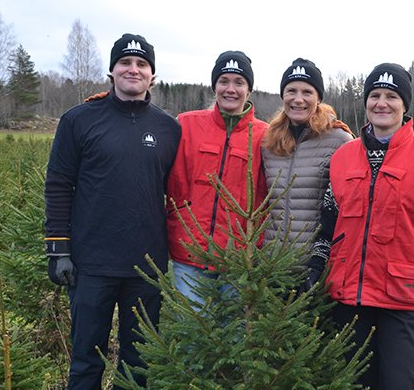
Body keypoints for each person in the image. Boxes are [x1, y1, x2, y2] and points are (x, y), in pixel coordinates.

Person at [305, 63, 414, 389]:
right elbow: (327, 229)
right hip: (349, 301)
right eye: (375, 95)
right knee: (355, 384)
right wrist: (315, 269)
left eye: (391, 96)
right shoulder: (343, 158)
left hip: (406, 304)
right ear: (365, 102)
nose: (382, 103)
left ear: (404, 105)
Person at [44, 33, 181, 389]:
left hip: (146, 268)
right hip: (91, 265)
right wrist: (58, 249)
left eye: (141, 64)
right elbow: (59, 184)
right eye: (125, 62)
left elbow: (179, 192)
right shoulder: (79, 120)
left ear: (152, 74)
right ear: (112, 70)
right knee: (87, 358)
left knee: (138, 361)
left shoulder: (168, 128)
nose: (133, 70)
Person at [166, 50, 268, 305]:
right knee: (193, 334)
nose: (230, 89)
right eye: (224, 81)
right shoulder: (185, 125)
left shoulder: (265, 136)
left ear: (249, 90)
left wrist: (334, 126)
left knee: (233, 337)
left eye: (239, 82)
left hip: (238, 258)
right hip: (189, 253)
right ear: (214, 86)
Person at [262, 57, 353, 253]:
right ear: (283, 95)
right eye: (291, 91)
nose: (298, 99)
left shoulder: (339, 140)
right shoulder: (268, 143)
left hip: (316, 266)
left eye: (307, 92)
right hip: (270, 265)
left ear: (318, 98)